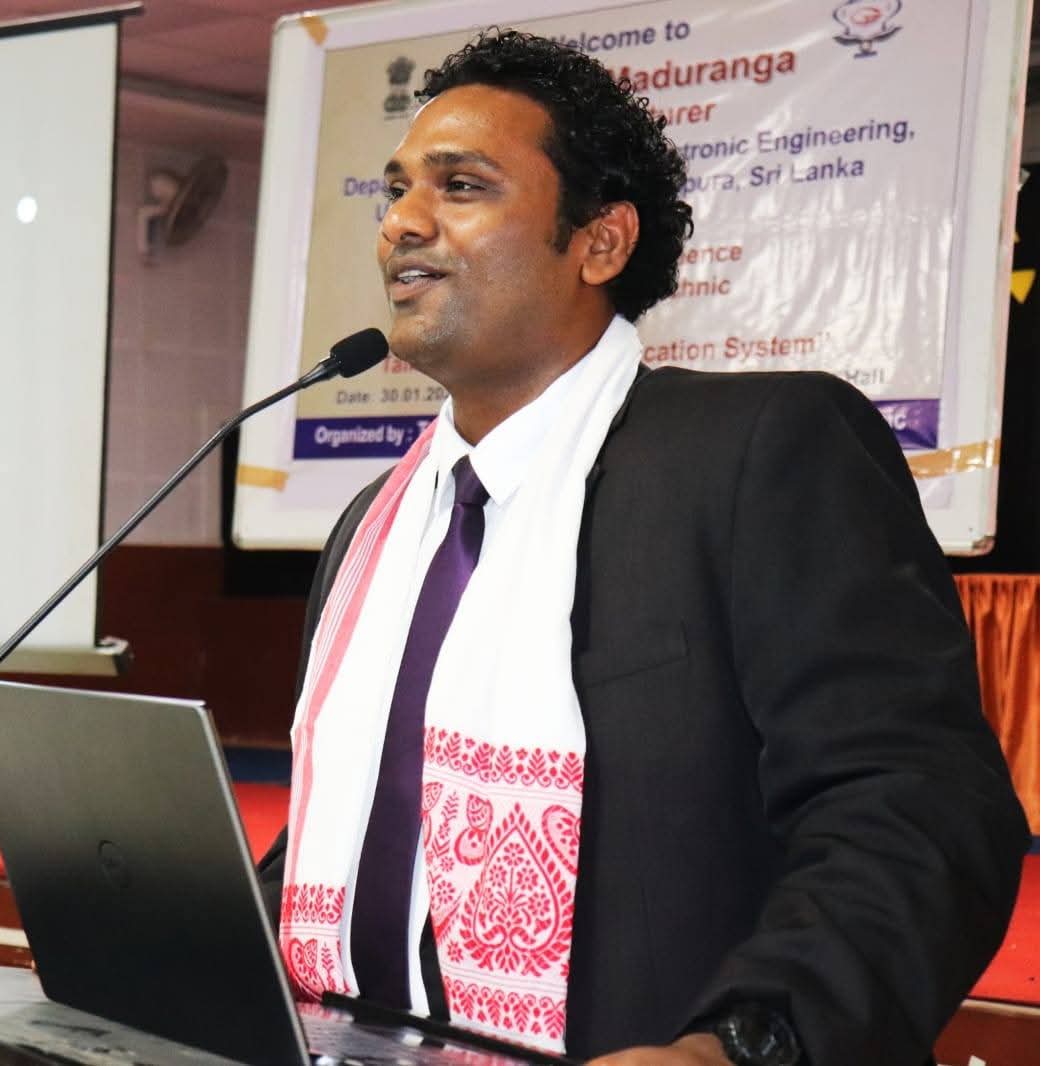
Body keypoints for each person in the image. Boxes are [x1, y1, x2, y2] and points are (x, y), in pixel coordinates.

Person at [257, 28, 1029, 1066]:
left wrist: (736, 1047)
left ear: (600, 242)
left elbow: (915, 809)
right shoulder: (377, 526)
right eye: (395, 191)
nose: (401, 221)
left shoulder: (758, 452)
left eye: (462, 186)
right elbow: (363, 823)